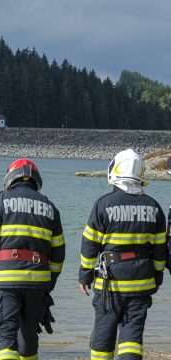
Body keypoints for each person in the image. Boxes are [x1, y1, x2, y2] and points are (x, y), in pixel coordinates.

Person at [79, 149, 166, 360]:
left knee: (103, 334)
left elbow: (90, 244)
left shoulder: (104, 204)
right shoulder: (153, 207)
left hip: (111, 284)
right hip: (142, 282)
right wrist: (157, 277)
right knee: (132, 336)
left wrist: (85, 275)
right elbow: (160, 249)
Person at [0, 159, 65, 360]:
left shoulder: (0, 200)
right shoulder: (50, 207)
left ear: (9, 178)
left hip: (6, 280)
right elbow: (59, 252)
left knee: (5, 337)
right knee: (28, 339)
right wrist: (49, 282)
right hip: (38, 281)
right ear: (36, 180)